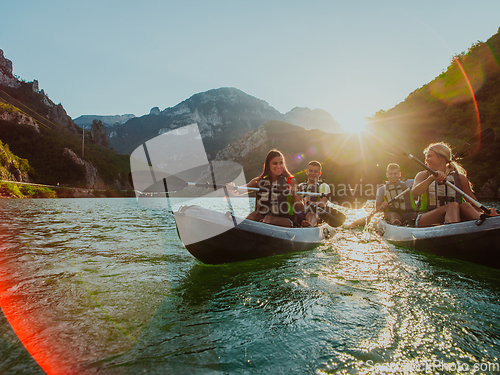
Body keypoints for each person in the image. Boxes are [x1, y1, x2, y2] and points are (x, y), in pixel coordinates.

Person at [411, 142, 497, 227]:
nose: (426, 160)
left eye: (429, 156)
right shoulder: (423, 175)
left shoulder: (460, 178)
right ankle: (454, 233)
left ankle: (488, 226)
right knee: (452, 205)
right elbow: (414, 193)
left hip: (453, 216)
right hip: (426, 218)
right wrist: (432, 178)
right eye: (426, 157)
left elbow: (473, 203)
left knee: (466, 205)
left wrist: (487, 211)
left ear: (442, 158)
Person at [232, 149, 304, 227]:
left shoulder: (291, 181)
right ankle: (239, 227)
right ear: (268, 165)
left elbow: (301, 208)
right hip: (264, 219)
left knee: (268, 219)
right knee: (254, 215)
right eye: (275, 163)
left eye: (281, 163)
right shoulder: (259, 181)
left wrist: (294, 197)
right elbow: (238, 192)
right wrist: (232, 188)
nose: (279, 166)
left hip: (286, 221)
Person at [296, 161, 331, 227]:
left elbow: (323, 203)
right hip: (301, 213)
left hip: (316, 214)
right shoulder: (300, 186)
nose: (313, 173)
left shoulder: (323, 186)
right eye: (311, 171)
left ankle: (309, 225)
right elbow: (296, 201)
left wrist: (311, 202)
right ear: (307, 172)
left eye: (315, 171)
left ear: (319, 173)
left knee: (311, 214)